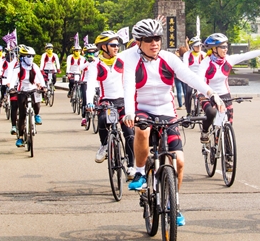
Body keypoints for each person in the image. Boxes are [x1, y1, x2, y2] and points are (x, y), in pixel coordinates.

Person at [121, 18, 224, 227]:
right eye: (148, 39)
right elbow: (129, 85)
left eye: (157, 38)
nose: (154, 43)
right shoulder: (132, 60)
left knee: (179, 161)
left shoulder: (168, 58)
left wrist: (211, 93)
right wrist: (130, 113)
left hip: (167, 112)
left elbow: (189, 77)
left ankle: (173, 203)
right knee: (142, 131)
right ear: (138, 42)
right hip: (143, 110)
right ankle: (140, 172)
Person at [197, 33, 260, 145]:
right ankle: (205, 131)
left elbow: (248, 55)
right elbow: (198, 81)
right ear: (214, 49)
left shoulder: (229, 60)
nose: (225, 49)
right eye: (222, 47)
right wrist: (204, 94)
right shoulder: (205, 63)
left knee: (228, 124)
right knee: (211, 112)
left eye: (226, 46)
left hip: (224, 94)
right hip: (207, 94)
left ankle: (227, 156)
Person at [85, 32, 136, 178]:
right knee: (102, 120)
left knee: (129, 133)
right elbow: (90, 84)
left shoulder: (121, 59)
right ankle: (104, 146)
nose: (116, 48)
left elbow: (136, 47)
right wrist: (89, 102)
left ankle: (131, 166)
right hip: (106, 101)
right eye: (113, 45)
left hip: (123, 101)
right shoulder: (95, 64)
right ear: (103, 47)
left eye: (117, 45)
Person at [9, 45, 46, 147]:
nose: (31, 58)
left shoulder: (34, 66)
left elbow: (40, 77)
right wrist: (11, 88)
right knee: (22, 115)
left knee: (37, 104)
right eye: (28, 56)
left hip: (33, 89)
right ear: (23, 57)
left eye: (32, 56)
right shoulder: (18, 67)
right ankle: (20, 137)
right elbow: (13, 79)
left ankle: (37, 116)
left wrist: (44, 86)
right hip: (22, 91)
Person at [181, 36, 206, 115]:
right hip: (190, 77)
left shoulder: (204, 54)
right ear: (192, 46)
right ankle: (188, 111)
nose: (199, 47)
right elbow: (185, 66)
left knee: (205, 92)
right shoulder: (187, 54)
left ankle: (204, 107)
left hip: (201, 77)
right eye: (196, 46)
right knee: (188, 93)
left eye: (200, 45)